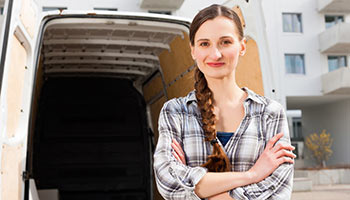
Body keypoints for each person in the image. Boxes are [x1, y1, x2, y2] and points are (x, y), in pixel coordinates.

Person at [153, 4, 295, 200]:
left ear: (242, 46)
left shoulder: (270, 113)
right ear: (193, 51)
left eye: (225, 42)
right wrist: (252, 174)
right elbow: (168, 184)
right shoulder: (175, 112)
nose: (215, 54)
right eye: (204, 44)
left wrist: (196, 187)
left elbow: (278, 193)